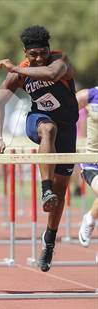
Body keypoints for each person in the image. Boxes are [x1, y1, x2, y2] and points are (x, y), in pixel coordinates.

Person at [0, 25, 78, 272]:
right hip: (38, 121)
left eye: (42, 53)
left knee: (62, 193)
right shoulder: (21, 72)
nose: (38, 58)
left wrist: (17, 68)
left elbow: (51, 74)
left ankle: (49, 239)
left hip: (67, 129)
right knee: (47, 129)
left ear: (49, 50)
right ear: (25, 52)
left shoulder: (60, 61)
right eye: (33, 55)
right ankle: (45, 189)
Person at [76, 87, 98, 247]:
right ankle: (90, 219)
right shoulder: (91, 95)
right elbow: (65, 112)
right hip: (92, 162)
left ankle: (90, 217)